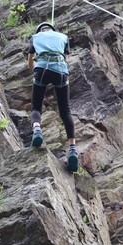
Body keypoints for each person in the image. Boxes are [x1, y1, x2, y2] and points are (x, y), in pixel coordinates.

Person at [27, 22, 78, 172]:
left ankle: (37, 130)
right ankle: (73, 149)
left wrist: (36, 64)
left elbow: (30, 64)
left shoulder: (35, 37)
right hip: (61, 70)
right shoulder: (63, 37)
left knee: (36, 106)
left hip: (42, 69)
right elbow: (66, 59)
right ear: (52, 30)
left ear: (40, 30)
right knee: (65, 110)